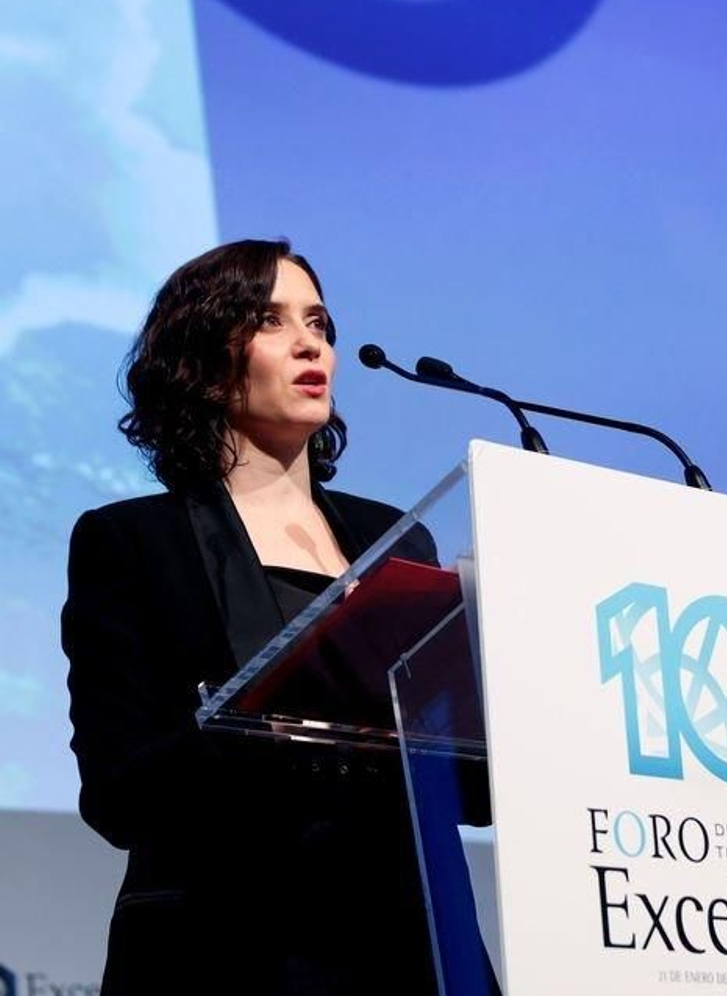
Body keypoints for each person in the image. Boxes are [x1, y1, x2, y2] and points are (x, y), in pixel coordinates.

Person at [60, 240, 474, 992]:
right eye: (270, 321)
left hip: (407, 942)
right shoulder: (131, 542)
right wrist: (265, 713)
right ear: (203, 359)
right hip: (229, 947)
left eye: (318, 322)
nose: (309, 342)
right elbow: (115, 795)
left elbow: (458, 779)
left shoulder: (395, 538)